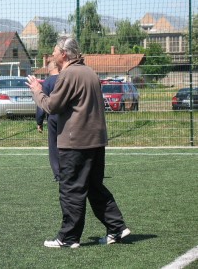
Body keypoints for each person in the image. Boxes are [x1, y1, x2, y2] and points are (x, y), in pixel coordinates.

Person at [26, 36, 130, 248]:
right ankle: (117, 228)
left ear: (63, 54)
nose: (52, 53)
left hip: (76, 143)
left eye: (55, 50)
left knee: (71, 190)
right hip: (96, 141)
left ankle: (69, 237)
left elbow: (52, 106)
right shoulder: (90, 72)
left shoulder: (69, 74)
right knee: (94, 187)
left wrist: (37, 90)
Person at [35, 57, 60, 182]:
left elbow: (42, 103)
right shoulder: (65, 79)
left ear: (49, 70)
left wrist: (39, 121)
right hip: (67, 117)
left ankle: (57, 173)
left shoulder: (47, 82)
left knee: (53, 145)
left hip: (53, 117)